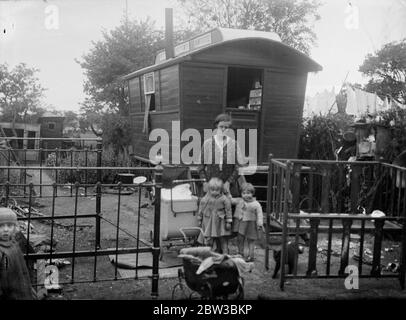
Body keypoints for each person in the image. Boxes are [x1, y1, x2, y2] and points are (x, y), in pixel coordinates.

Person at [198, 113, 245, 197]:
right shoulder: (207, 143)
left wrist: (229, 182)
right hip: (211, 186)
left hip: (228, 187)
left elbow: (238, 167)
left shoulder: (234, 144)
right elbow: (200, 166)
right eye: (221, 126)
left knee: (229, 208)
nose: (223, 129)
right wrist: (204, 182)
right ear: (216, 126)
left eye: (226, 127)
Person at [0, 208, 36, 300]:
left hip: (22, 290)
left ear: (15, 227)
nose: (6, 229)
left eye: (9, 225)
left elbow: (22, 269)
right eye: (1, 226)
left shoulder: (14, 244)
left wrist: (28, 288)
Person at [197, 178, 233, 253]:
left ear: (221, 190)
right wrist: (199, 218)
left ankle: (225, 254)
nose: (214, 192)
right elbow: (201, 207)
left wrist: (228, 221)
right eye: (212, 190)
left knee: (222, 238)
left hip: (220, 222)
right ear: (209, 189)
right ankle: (209, 254)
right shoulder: (206, 198)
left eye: (217, 190)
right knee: (209, 239)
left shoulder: (224, 199)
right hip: (209, 222)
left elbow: (228, 210)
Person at [232, 183, 264, 262]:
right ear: (241, 194)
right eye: (244, 193)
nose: (246, 195)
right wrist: (226, 194)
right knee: (240, 239)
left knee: (251, 240)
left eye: (248, 193)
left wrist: (260, 223)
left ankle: (251, 255)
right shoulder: (240, 200)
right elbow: (230, 200)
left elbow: (260, 214)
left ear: (252, 194)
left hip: (251, 224)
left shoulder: (256, 204)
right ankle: (240, 253)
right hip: (241, 223)